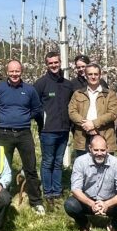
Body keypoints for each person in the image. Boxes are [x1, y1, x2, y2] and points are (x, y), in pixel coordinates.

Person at [0, 59, 44, 214]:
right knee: (2, 168)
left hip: (24, 133)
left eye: (17, 71)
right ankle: (2, 198)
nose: (14, 74)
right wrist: (5, 117)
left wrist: (24, 117)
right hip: (4, 133)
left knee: (30, 167)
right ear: (7, 72)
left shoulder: (29, 90)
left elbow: (37, 109)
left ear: (21, 72)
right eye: (11, 71)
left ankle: (36, 201)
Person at [64, 134, 117, 231]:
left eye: (102, 150)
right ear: (90, 148)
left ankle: (114, 225)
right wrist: (92, 204)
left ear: (107, 148)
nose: (99, 153)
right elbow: (75, 189)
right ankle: (84, 224)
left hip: (110, 201)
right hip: (87, 200)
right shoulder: (80, 161)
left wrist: (107, 204)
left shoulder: (116, 163)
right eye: (96, 150)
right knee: (70, 205)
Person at [34, 51, 75, 208]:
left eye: (56, 62)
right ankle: (48, 191)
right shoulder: (41, 83)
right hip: (48, 131)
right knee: (48, 161)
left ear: (60, 62)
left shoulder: (67, 84)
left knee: (58, 162)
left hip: (64, 130)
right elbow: (34, 105)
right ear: (47, 64)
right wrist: (41, 121)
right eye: (50, 63)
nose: (54, 65)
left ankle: (57, 191)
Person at [67, 62, 117, 158]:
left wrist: (94, 124)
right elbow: (72, 112)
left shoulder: (109, 94)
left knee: (105, 169)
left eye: (96, 74)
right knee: (84, 168)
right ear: (86, 76)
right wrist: (87, 125)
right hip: (83, 138)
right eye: (90, 74)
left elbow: (112, 113)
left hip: (105, 136)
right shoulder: (78, 94)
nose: (93, 77)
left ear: (100, 75)